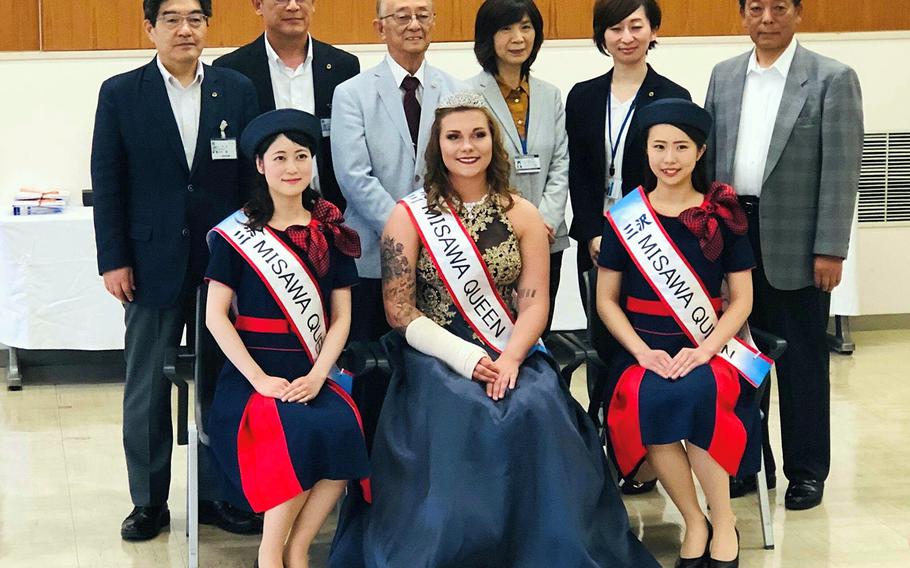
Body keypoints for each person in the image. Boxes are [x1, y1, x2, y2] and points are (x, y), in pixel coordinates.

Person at [328, 92, 659, 568]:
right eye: (454, 136)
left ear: (493, 142)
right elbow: (399, 311)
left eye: (478, 135)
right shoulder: (408, 215)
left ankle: (539, 547)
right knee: (464, 408)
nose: (467, 146)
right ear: (436, 145)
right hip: (434, 351)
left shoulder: (522, 214)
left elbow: (533, 302)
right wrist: (465, 359)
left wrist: (509, 358)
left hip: (509, 344)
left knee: (537, 404)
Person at [91, 0, 261, 541]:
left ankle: (220, 496)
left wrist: (250, 260)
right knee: (145, 387)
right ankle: (148, 502)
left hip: (220, 263)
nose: (185, 29)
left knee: (223, 379)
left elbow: (250, 183)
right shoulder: (120, 93)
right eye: (171, 19)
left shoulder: (236, 89)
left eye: (195, 18)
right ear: (150, 28)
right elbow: (109, 180)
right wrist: (113, 259)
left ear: (208, 26)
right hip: (147, 264)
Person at [705, 0, 864, 509]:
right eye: (756, 7)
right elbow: (709, 163)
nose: (767, 18)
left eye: (779, 7)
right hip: (733, 233)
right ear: (742, 13)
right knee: (740, 360)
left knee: (802, 363)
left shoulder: (832, 78)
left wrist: (830, 248)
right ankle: (749, 464)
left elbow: (842, 168)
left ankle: (806, 470)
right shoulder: (724, 76)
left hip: (798, 241)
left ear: (798, 12)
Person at [597, 98, 763, 568]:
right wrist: (642, 352)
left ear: (699, 151)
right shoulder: (627, 216)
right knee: (652, 397)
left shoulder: (722, 214)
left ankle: (724, 518)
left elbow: (743, 299)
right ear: (646, 152)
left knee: (699, 394)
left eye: (681, 147)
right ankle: (694, 519)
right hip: (644, 350)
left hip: (713, 346)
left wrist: (707, 349)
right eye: (659, 147)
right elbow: (607, 300)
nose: (669, 158)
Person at [204, 109, 370, 568]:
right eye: (279, 157)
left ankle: (298, 549)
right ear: (260, 166)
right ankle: (269, 554)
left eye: (301, 155)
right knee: (295, 433)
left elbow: (341, 319)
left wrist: (319, 376)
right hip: (251, 378)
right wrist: (259, 380)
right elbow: (216, 317)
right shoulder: (237, 236)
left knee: (340, 429)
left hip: (312, 373)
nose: (291, 167)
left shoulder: (330, 234)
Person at [565, 0, 689, 494]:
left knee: (653, 341)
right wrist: (593, 231)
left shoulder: (672, 95)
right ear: (602, 35)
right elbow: (577, 171)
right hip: (599, 241)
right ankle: (617, 453)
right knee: (607, 344)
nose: (626, 36)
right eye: (615, 27)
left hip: (657, 244)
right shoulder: (584, 96)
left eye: (636, 25)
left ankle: (651, 459)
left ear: (653, 30)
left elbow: (682, 171)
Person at [329, 0, 463, 449]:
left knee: (433, 368)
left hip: (443, 258)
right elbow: (353, 176)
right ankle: (371, 473)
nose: (413, 24)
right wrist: (408, 231)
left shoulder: (455, 91)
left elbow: (463, 170)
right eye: (401, 16)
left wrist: (435, 236)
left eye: (423, 15)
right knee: (373, 369)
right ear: (378, 27)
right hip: (371, 256)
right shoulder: (352, 93)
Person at [468, 0, 569, 334]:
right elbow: (468, 167)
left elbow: (560, 162)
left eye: (526, 27)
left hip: (548, 235)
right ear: (488, 36)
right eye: (506, 28)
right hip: (491, 237)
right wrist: (511, 227)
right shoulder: (469, 94)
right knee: (494, 331)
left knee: (537, 328)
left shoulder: (550, 94)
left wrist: (544, 223)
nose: (518, 37)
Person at [214, 0, 360, 211]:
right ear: (257, 5)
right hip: (260, 215)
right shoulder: (231, 70)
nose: (293, 6)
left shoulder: (343, 67)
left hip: (331, 210)